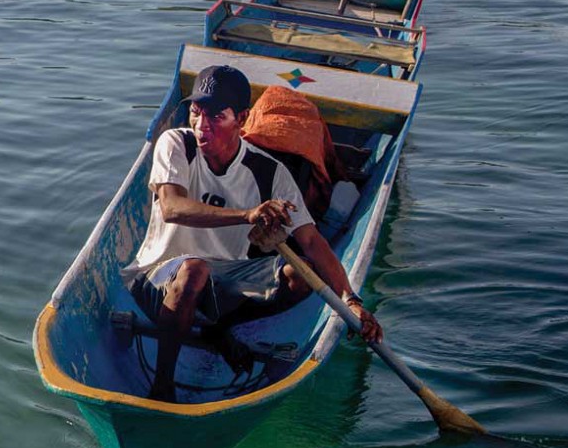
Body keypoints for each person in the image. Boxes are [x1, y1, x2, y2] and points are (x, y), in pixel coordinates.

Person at [122, 64, 379, 402]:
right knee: (193, 269)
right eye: (196, 113)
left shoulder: (269, 172)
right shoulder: (176, 144)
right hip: (157, 275)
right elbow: (171, 208)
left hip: (224, 281)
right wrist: (246, 215)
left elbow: (312, 241)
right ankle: (162, 389)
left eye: (217, 116)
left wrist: (351, 301)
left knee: (302, 274)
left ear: (241, 119)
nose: (202, 125)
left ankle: (219, 327)